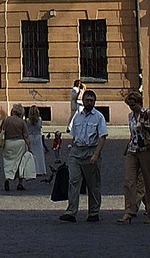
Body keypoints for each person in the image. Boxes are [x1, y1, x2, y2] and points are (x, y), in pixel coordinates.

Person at [60, 89, 107, 222]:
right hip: (76, 152)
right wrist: (72, 149)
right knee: (73, 181)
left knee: (93, 184)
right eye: (87, 100)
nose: (89, 102)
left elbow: (103, 137)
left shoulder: (99, 117)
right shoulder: (78, 116)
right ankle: (71, 212)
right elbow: (74, 135)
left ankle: (93, 212)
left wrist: (96, 155)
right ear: (83, 101)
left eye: (92, 100)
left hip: (91, 151)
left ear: (94, 102)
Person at [118, 90, 150, 223]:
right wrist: (127, 147)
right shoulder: (130, 116)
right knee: (129, 181)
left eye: (133, 105)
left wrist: (148, 127)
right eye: (129, 105)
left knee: (149, 182)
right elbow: (132, 133)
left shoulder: (147, 113)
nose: (131, 108)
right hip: (132, 150)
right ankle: (129, 211)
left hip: (146, 149)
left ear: (139, 103)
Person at [0, 104, 33, 191]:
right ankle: (20, 183)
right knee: (20, 163)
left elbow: (0, 130)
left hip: (8, 143)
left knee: (8, 162)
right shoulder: (21, 122)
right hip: (20, 143)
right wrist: (29, 146)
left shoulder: (6, 120)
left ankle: (7, 178)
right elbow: (25, 135)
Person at [26, 105, 49, 180]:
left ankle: (32, 170)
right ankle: (40, 170)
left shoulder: (27, 120)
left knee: (31, 155)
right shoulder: (40, 119)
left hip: (31, 137)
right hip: (38, 138)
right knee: (39, 155)